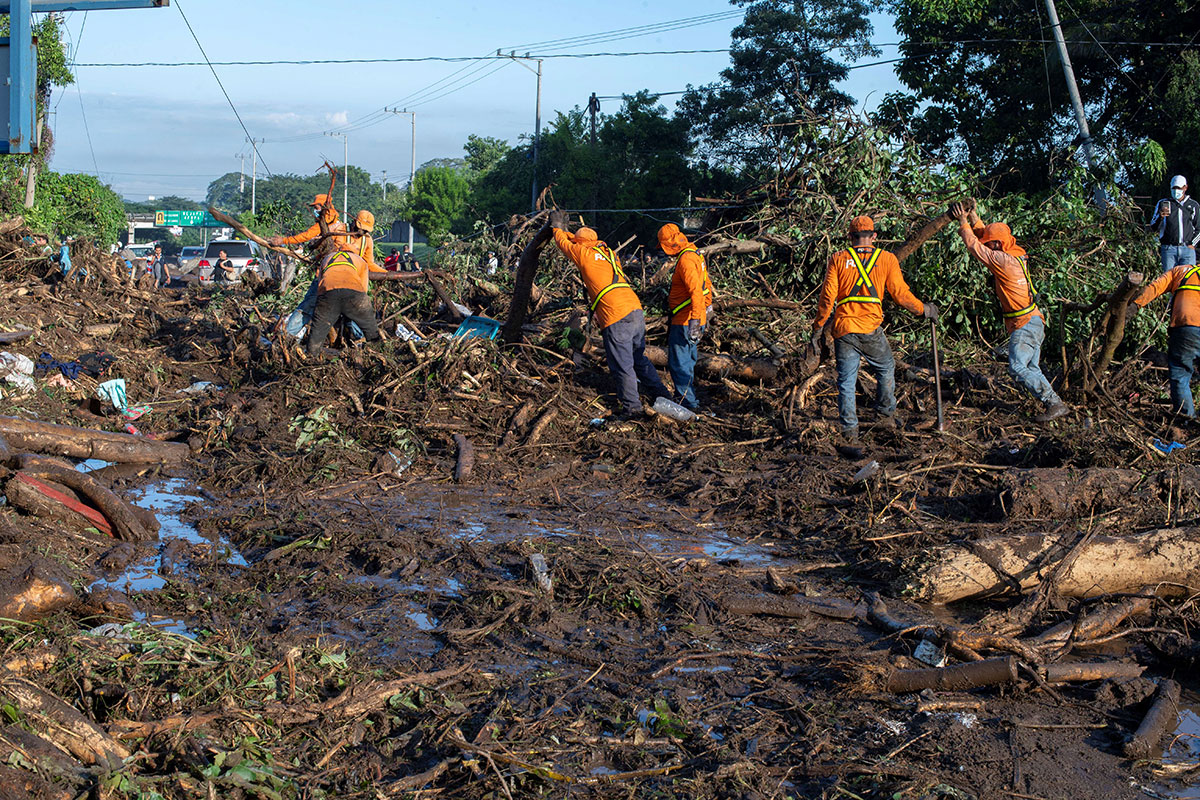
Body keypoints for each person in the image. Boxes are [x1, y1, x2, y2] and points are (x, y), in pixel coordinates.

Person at [811, 216, 935, 442]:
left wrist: (818, 327)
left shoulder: (838, 259)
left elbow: (827, 298)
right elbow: (901, 295)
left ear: (850, 237)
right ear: (874, 236)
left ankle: (850, 432)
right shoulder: (886, 259)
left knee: (846, 382)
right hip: (870, 328)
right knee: (886, 368)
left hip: (844, 329)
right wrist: (923, 309)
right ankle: (885, 415)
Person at [951, 203, 1069, 422]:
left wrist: (962, 222)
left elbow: (976, 248)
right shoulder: (1014, 254)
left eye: (992, 244)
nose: (990, 247)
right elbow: (986, 241)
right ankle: (1054, 406)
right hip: (1033, 321)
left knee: (1016, 367)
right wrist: (975, 217)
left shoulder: (1003, 261)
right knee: (1031, 368)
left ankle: (1054, 403)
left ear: (999, 244)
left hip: (1025, 323)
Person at [549, 211, 669, 418]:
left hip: (616, 315)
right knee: (637, 358)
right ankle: (662, 396)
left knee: (622, 364)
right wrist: (570, 233)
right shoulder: (608, 253)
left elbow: (563, 244)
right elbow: (578, 243)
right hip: (635, 309)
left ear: (580, 243)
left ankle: (632, 408)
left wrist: (557, 228)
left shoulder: (583, 254)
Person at [291, 210, 384, 345]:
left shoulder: (367, 240)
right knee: (307, 309)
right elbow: (321, 248)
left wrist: (386, 273)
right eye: (361, 229)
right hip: (325, 280)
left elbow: (369, 263)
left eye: (365, 231)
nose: (362, 233)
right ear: (355, 223)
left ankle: (359, 341)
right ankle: (286, 336)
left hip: (350, 282)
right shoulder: (338, 229)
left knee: (352, 313)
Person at [1130, 259, 1200, 417]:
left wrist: (1133, 306)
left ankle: (1186, 419)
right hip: (1188, 327)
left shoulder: (1180, 272)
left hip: (1186, 327)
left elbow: (1153, 288)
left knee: (1180, 374)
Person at [658, 223, 715, 411]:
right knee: (688, 360)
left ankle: (687, 403)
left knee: (679, 363)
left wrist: (695, 323)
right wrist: (708, 309)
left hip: (686, 320)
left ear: (670, 245)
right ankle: (688, 398)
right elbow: (706, 284)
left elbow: (696, 292)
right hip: (693, 317)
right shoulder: (695, 254)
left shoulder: (686, 261)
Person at [307, 240, 382, 356]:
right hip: (354, 293)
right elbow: (363, 288)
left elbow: (320, 282)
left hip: (328, 292)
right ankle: (377, 351)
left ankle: (311, 356)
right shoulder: (360, 260)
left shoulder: (327, 258)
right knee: (370, 326)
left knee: (317, 331)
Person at [1149, 175, 1200, 273]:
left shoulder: (1193, 205)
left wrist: (1192, 244)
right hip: (1169, 249)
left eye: (1179, 188)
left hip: (1187, 249)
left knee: (1186, 279)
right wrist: (1161, 216)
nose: (1176, 191)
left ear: (1185, 188)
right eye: (1174, 188)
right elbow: (1153, 226)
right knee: (1169, 280)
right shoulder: (1163, 203)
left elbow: (1198, 228)